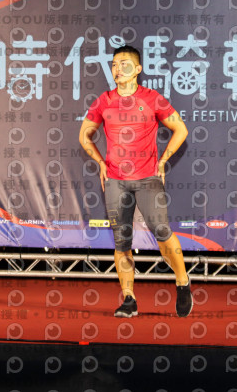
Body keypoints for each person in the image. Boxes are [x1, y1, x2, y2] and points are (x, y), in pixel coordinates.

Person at [78, 45, 192, 318]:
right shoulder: (104, 100)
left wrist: (163, 161)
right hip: (116, 181)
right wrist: (101, 162)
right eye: (114, 64)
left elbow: (180, 129)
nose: (118, 69)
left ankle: (182, 282)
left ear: (138, 69)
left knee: (162, 231)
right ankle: (129, 299)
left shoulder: (152, 98)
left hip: (148, 178)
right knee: (122, 241)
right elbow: (84, 135)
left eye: (124, 63)